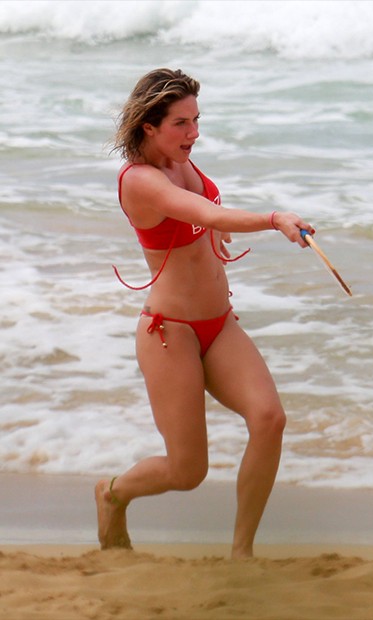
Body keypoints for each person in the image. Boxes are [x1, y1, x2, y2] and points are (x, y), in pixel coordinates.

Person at [95, 68, 314, 559]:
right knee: (187, 472)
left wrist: (216, 236)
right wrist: (273, 218)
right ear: (148, 126)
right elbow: (205, 213)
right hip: (170, 332)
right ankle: (112, 493)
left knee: (270, 419)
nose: (194, 133)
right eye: (181, 123)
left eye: (197, 120)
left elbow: (207, 219)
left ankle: (242, 553)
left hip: (219, 323)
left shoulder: (180, 161)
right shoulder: (140, 180)